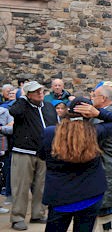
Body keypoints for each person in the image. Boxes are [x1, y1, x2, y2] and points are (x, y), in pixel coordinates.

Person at [38, 97, 112, 232]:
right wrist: (99, 113)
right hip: (90, 194)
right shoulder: (94, 133)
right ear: (89, 114)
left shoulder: (50, 133)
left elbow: (42, 155)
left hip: (60, 196)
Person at [9, 80, 58, 230]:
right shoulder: (22, 106)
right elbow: (14, 112)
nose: (40, 93)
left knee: (41, 187)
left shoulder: (49, 107)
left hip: (44, 153)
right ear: (28, 94)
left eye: (41, 90)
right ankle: (17, 217)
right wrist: (23, 97)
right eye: (35, 91)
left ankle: (38, 213)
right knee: (21, 187)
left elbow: (55, 125)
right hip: (24, 152)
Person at [91, 84, 112, 231]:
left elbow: (94, 138)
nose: (91, 98)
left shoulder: (106, 115)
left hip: (106, 165)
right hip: (111, 164)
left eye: (94, 96)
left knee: (102, 206)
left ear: (103, 98)